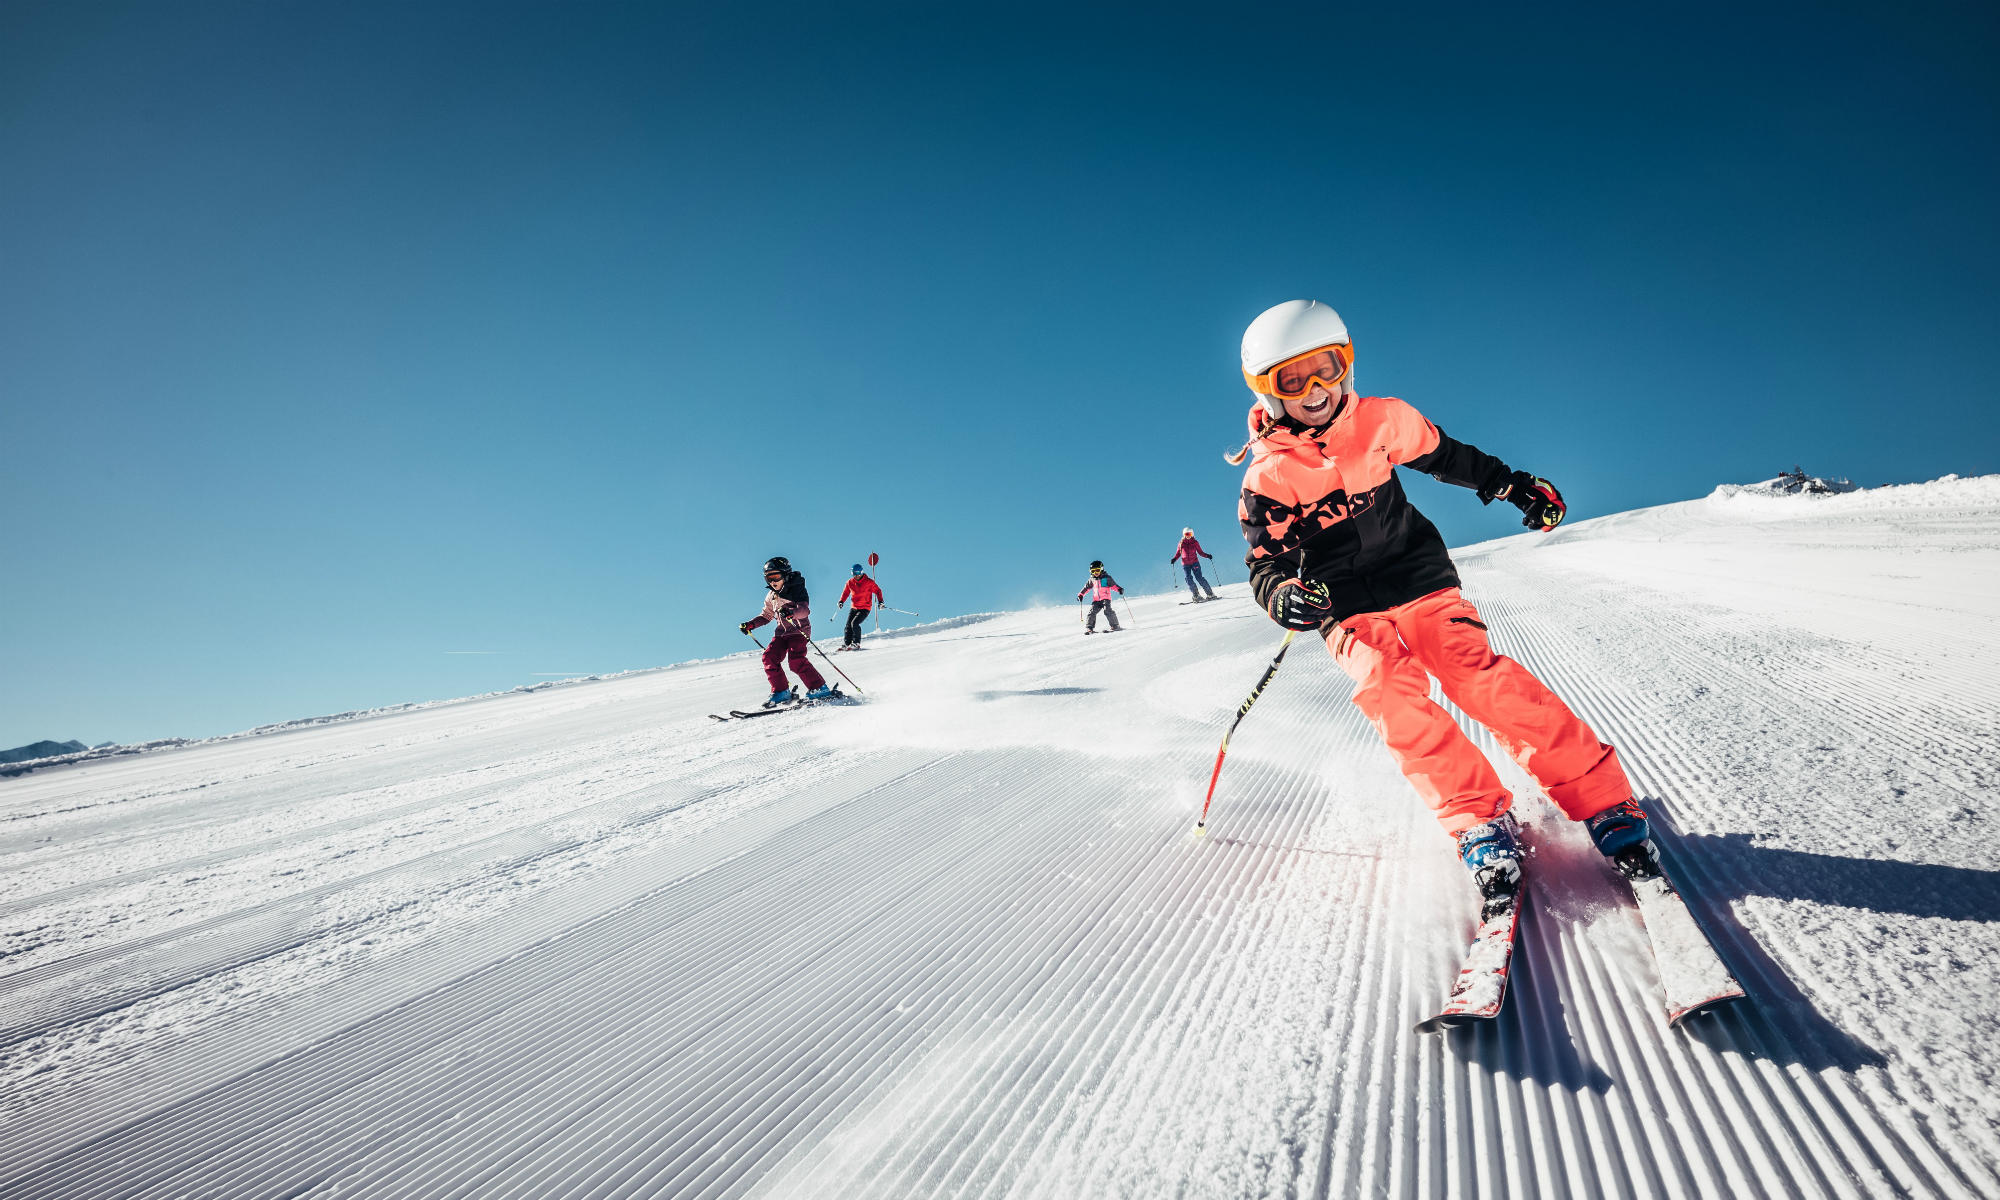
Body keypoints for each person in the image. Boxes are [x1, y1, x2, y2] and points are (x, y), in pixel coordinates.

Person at [1232, 299, 1656, 913]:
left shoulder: (1380, 420)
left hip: (1416, 572)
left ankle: (1603, 799)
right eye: (1292, 381)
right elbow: (1262, 561)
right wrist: (1282, 593)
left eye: (1325, 367)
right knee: (1388, 691)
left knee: (1471, 674)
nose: (1316, 390)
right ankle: (1476, 818)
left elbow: (1449, 457)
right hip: (1343, 603)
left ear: (1345, 363)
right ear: (1268, 393)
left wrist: (1513, 486)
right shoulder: (1267, 479)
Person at [739, 556, 834, 706]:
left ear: (785, 574)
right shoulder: (771, 596)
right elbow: (766, 615)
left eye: (776, 576)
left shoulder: (796, 589)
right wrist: (751, 624)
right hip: (781, 634)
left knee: (796, 661)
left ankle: (819, 688)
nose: (773, 582)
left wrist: (792, 613)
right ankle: (781, 691)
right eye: (769, 578)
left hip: (798, 631)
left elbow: (804, 610)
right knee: (769, 657)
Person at [837, 563, 884, 650]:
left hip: (865, 608)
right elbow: (846, 592)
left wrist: (880, 602)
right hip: (854, 607)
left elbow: (878, 591)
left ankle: (856, 643)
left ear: (862, 573)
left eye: (859, 574)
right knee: (848, 625)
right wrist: (841, 601)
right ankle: (847, 644)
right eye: (855, 574)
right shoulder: (850, 582)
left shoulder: (869, 582)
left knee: (854, 623)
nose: (857, 576)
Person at [1169, 527, 1218, 602]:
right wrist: (1174, 559)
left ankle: (1210, 594)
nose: (1188, 535)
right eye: (1186, 534)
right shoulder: (1181, 543)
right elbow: (1178, 553)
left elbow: (1200, 552)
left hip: (1195, 562)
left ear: (1192, 534)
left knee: (1199, 578)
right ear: (1184, 534)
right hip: (1185, 564)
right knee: (1188, 579)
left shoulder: (1195, 542)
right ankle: (1196, 595)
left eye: (1190, 534)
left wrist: (1207, 555)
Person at [1075, 561, 1125, 634]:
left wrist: (1119, 589)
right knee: (1091, 613)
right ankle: (1089, 628)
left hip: (1105, 599)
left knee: (1107, 610)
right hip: (1096, 600)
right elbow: (1086, 588)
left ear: (1101, 569)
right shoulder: (1092, 579)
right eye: (1093, 571)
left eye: (1097, 570)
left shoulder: (1106, 578)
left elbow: (1113, 585)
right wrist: (1081, 595)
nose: (1095, 572)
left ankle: (1115, 625)